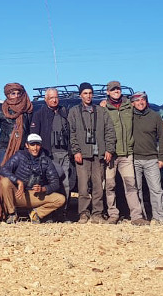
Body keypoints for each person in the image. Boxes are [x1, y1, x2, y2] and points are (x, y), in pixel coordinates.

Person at [67, 82, 115, 224]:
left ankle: (97, 213)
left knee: (98, 186)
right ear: (80, 95)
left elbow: (109, 131)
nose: (88, 96)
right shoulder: (74, 112)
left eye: (90, 93)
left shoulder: (101, 111)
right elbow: (71, 133)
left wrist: (109, 149)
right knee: (82, 187)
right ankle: (83, 213)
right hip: (82, 154)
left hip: (98, 154)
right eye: (85, 93)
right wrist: (75, 150)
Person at [102, 81, 147, 225]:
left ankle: (136, 216)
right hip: (110, 155)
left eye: (118, 89)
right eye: (113, 89)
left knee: (131, 185)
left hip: (127, 154)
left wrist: (160, 123)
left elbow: (143, 114)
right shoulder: (103, 108)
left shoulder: (129, 105)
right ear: (108, 92)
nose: (116, 91)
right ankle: (113, 214)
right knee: (109, 186)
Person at [0, 134, 65, 223]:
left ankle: (35, 214)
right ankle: (12, 214)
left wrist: (43, 189)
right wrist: (18, 182)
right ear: (27, 145)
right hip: (19, 194)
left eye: (37, 145)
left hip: (36, 196)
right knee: (4, 181)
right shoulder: (19, 155)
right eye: (32, 145)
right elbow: (4, 169)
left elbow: (55, 183)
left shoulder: (46, 160)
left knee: (60, 199)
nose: (35, 148)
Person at [29, 87, 73, 220]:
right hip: (48, 154)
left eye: (56, 97)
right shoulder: (39, 114)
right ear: (46, 99)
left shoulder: (65, 111)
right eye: (51, 98)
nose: (54, 100)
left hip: (64, 153)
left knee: (65, 183)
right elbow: (34, 136)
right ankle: (48, 214)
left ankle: (62, 213)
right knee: (49, 183)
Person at [131, 91, 163, 225]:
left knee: (156, 189)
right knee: (136, 190)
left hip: (152, 159)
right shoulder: (129, 116)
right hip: (134, 159)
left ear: (146, 101)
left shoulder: (155, 117)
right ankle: (141, 217)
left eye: (142, 100)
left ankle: (160, 217)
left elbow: (162, 138)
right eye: (137, 100)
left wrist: (161, 157)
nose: (140, 103)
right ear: (132, 103)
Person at [0, 83, 33, 167]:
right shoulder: (1, 110)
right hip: (5, 149)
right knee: (6, 177)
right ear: (8, 95)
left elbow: (30, 131)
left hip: (23, 150)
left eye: (18, 93)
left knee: (22, 177)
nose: (16, 96)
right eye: (13, 93)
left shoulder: (27, 110)